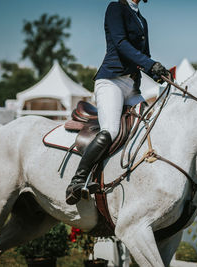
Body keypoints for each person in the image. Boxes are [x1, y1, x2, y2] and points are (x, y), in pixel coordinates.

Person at [66, 0, 169, 205]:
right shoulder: (115, 8)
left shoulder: (142, 20)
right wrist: (151, 65)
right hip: (111, 81)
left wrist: (159, 73)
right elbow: (121, 44)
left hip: (132, 87)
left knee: (153, 124)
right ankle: (77, 181)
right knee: (111, 131)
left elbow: (144, 56)